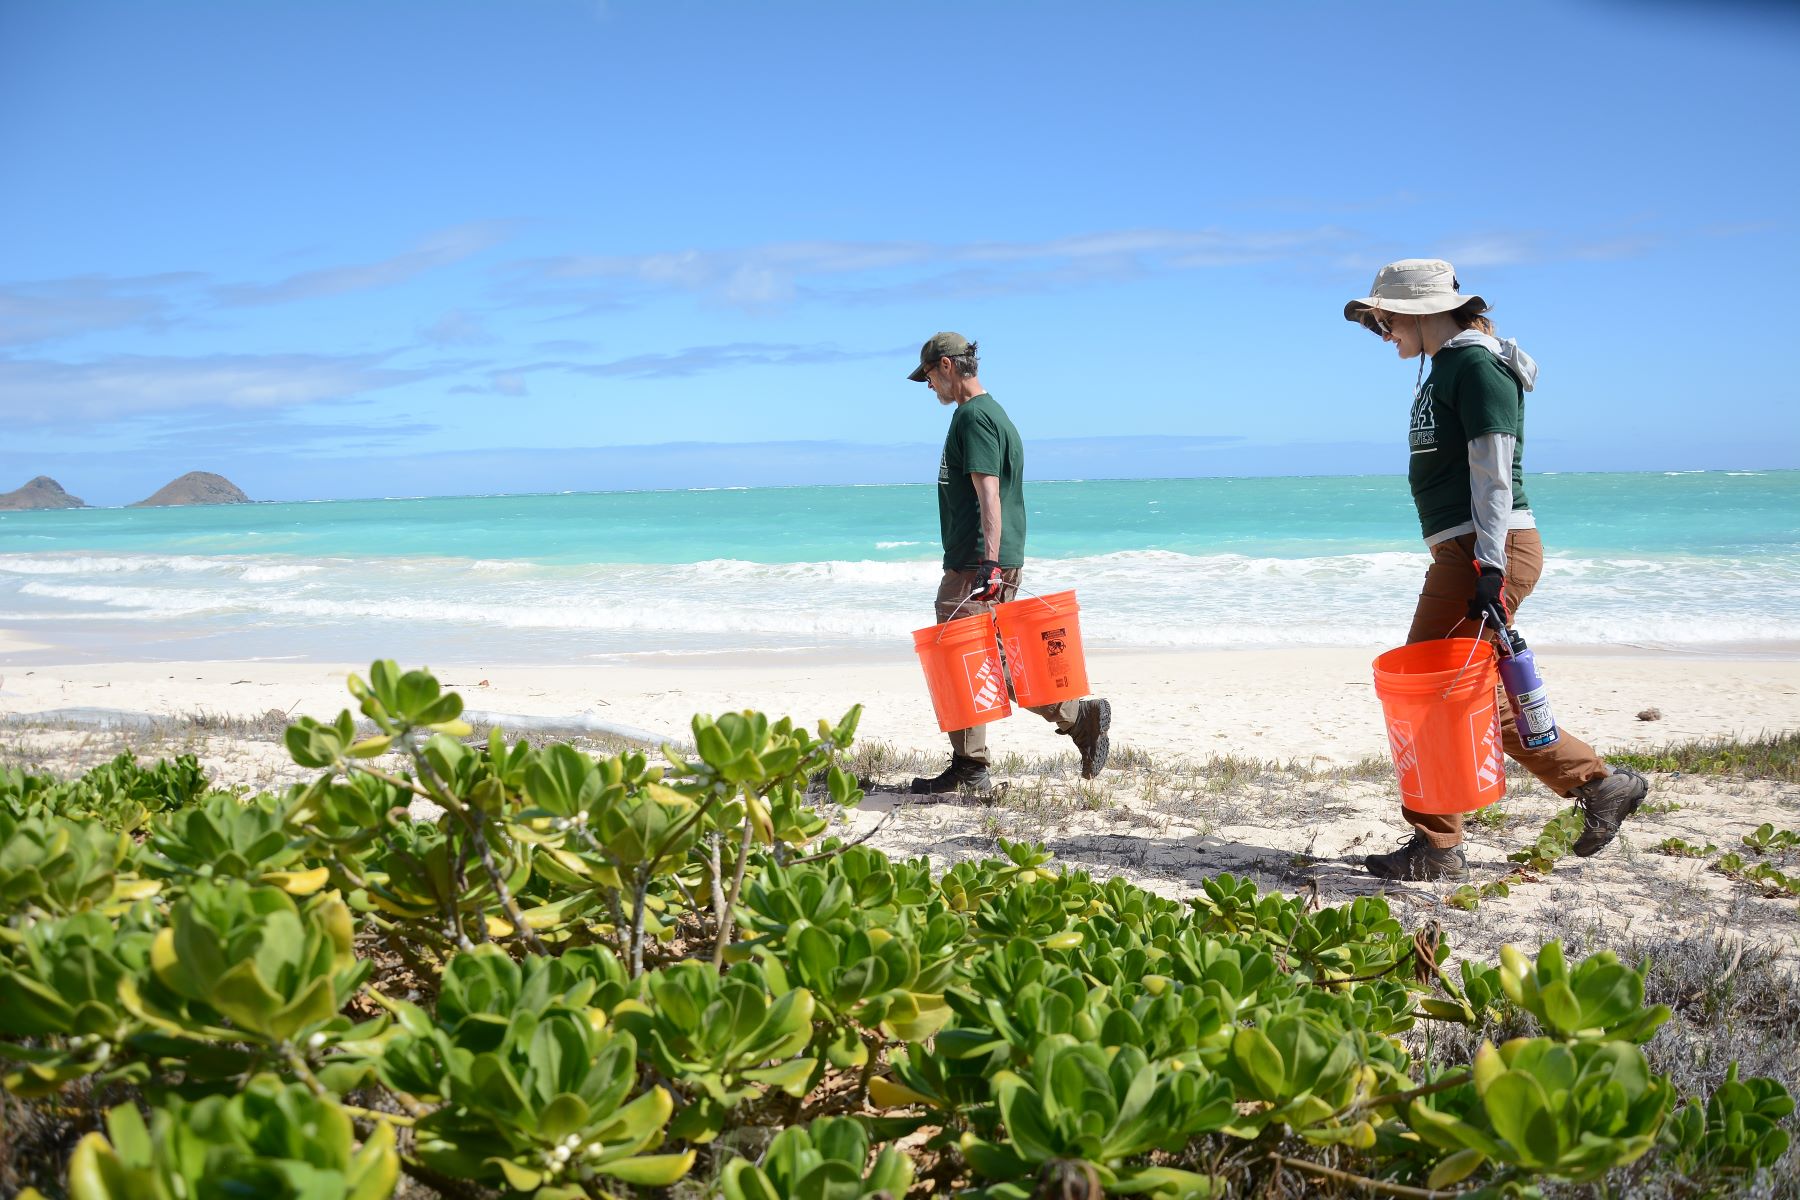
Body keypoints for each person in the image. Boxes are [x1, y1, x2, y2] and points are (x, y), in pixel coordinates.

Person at [1344, 260, 1647, 881]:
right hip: (1468, 552)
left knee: (1432, 692)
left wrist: (1487, 565)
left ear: (1421, 312)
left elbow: (1494, 470)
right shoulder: (1448, 366)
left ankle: (1441, 847)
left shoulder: (1476, 367)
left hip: (1487, 551)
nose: (1382, 332)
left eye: (1384, 318)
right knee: (1460, 693)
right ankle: (1596, 787)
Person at [905, 332, 1111, 794]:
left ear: (946, 366)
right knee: (990, 660)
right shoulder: (990, 413)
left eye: (929, 378)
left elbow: (989, 493)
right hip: (987, 558)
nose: (929, 388)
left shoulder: (974, 418)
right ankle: (987, 755)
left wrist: (990, 563)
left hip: (976, 562)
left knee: (966, 659)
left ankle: (982, 761)